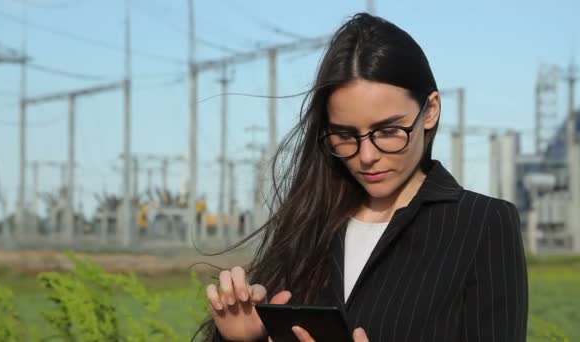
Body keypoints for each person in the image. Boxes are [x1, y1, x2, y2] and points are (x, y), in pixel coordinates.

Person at [197, 13, 528, 342]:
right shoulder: (310, 223)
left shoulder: (482, 224)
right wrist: (243, 339)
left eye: (387, 130)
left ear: (430, 111)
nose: (366, 156)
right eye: (345, 134)